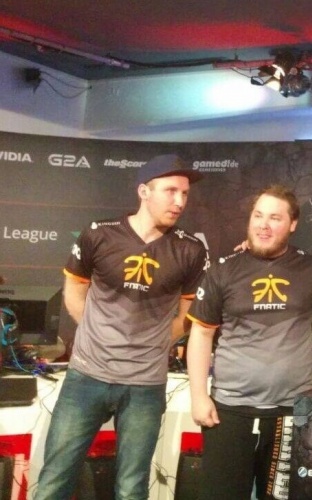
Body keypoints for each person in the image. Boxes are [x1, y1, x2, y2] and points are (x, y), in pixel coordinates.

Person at [35, 154, 208, 500]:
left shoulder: (190, 249)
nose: (179, 201)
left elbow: (187, 315)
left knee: (131, 488)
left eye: (185, 194)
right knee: (55, 479)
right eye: (171, 191)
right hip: (86, 377)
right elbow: (75, 289)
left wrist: (154, 344)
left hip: (145, 385)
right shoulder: (99, 233)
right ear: (144, 191)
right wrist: (97, 334)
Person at [186, 185, 312, 500]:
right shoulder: (223, 269)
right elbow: (201, 334)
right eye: (258, 216)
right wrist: (198, 396)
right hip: (229, 411)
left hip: (292, 411)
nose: (263, 225)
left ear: (293, 224)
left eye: (275, 218)